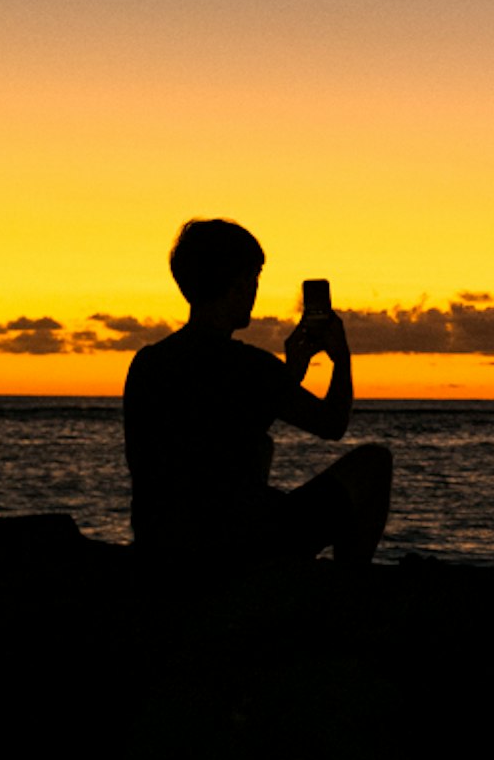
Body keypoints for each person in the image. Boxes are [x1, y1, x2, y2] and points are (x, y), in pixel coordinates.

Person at [123, 217, 391, 563]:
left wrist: (290, 373)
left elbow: (225, 426)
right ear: (236, 285)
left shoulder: (148, 363)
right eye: (253, 277)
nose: (254, 290)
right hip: (239, 544)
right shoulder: (248, 366)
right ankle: (349, 588)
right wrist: (341, 359)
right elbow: (332, 423)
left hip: (160, 542)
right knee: (374, 463)